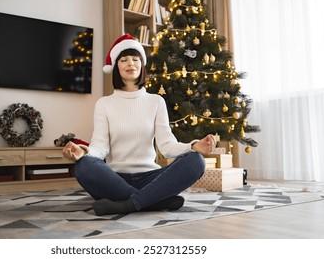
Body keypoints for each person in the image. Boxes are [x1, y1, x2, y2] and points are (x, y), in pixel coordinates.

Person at [63, 34, 216, 216]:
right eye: (124, 60)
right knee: (83, 165)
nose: (130, 63)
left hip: (150, 178)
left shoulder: (156, 101)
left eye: (135, 59)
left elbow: (167, 147)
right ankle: (154, 200)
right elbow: (100, 147)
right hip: (114, 179)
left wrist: (194, 146)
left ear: (142, 65)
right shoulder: (104, 104)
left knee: (195, 160)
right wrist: (83, 152)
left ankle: (127, 204)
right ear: (116, 67)